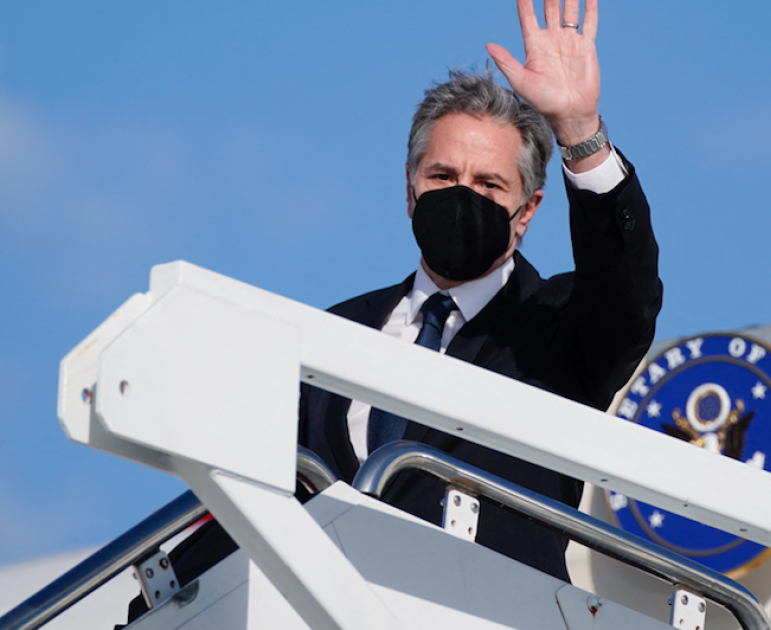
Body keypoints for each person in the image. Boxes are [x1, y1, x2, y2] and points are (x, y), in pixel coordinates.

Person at [131, 1, 660, 618]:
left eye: (489, 185)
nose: (462, 196)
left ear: (528, 211)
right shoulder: (329, 333)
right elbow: (255, 502)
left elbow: (626, 299)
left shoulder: (558, 327)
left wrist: (579, 131)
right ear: (409, 190)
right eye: (442, 176)